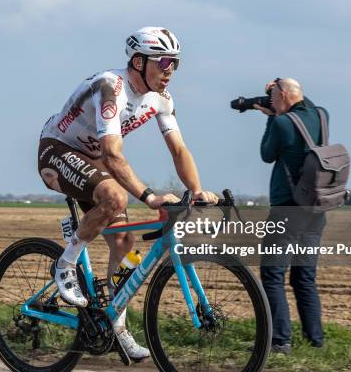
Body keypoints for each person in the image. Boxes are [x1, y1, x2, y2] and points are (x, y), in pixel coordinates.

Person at [38, 27, 219, 360]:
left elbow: (179, 150)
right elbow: (112, 154)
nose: (170, 70)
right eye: (163, 61)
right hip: (57, 150)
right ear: (138, 61)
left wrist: (196, 191)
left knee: (124, 243)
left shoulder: (161, 100)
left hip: (90, 159)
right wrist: (149, 196)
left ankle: (115, 327)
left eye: (175, 63)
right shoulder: (111, 87)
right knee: (116, 198)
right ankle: (65, 264)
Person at [254, 77, 327, 353]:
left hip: (287, 209)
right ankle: (316, 341)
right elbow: (304, 104)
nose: (270, 102)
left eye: (273, 96)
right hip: (315, 208)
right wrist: (279, 96)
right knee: (304, 276)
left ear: (283, 95)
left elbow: (266, 154)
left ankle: (281, 341)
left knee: (272, 274)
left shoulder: (283, 123)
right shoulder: (322, 115)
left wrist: (271, 117)